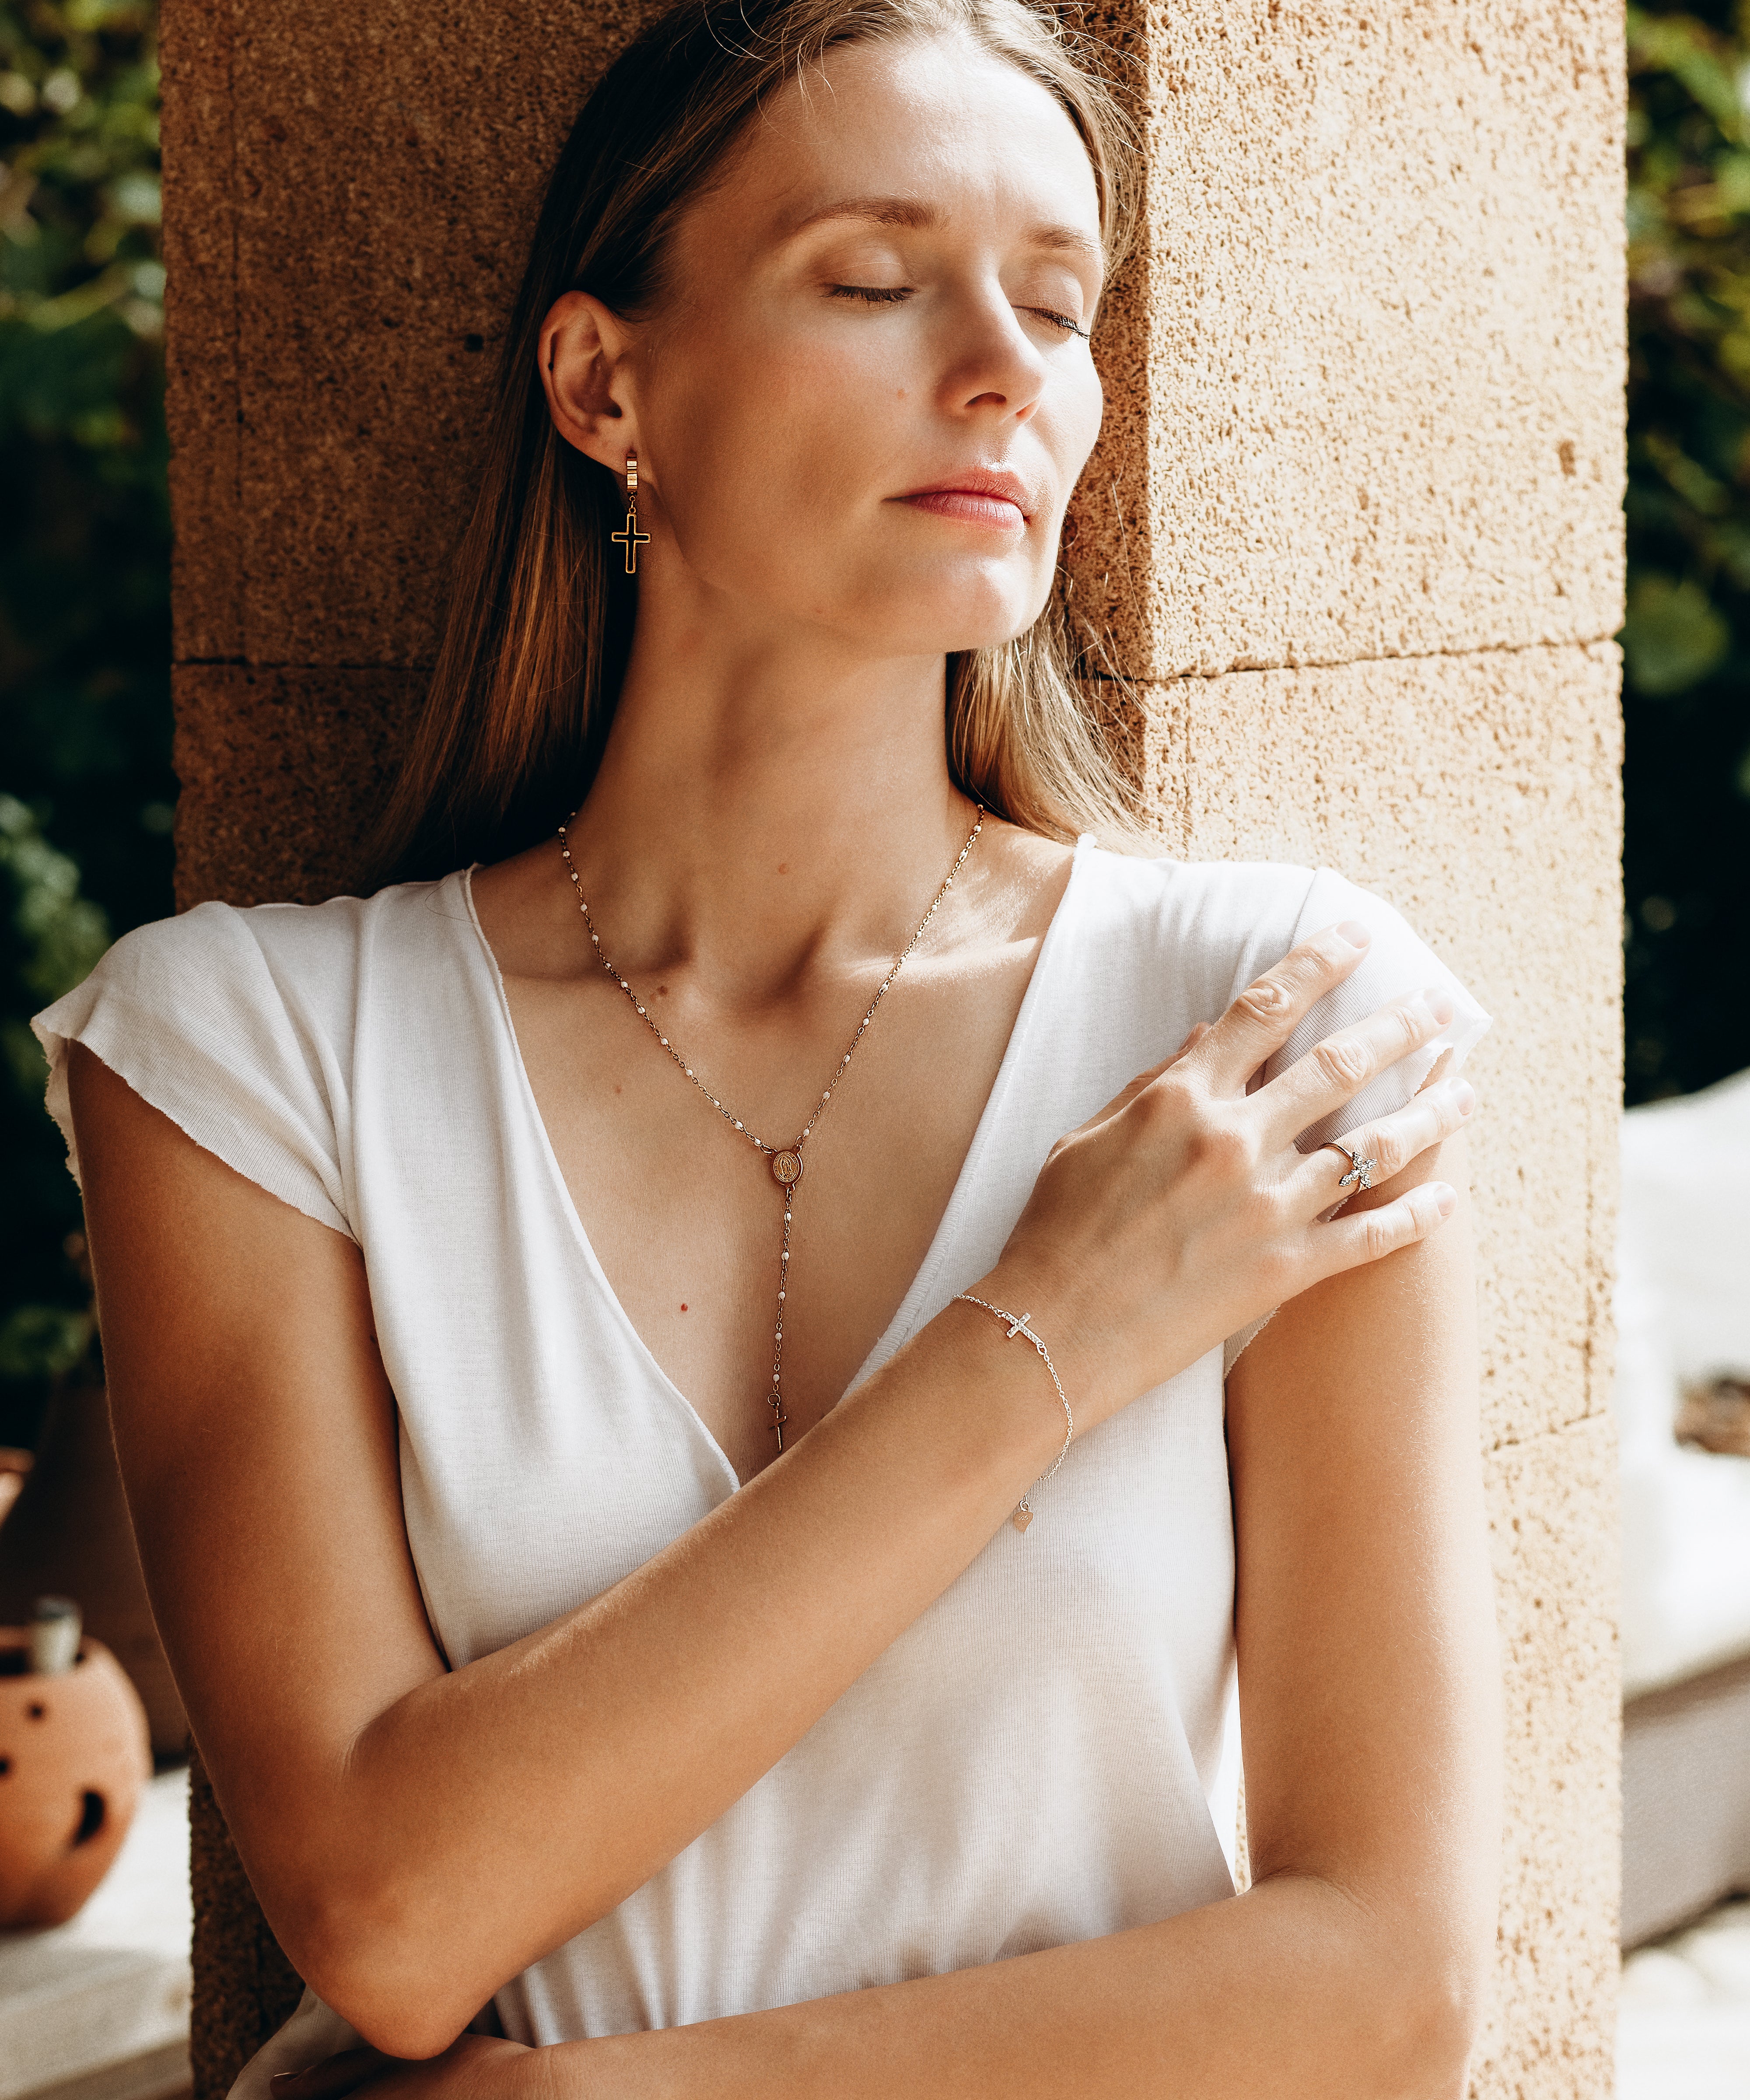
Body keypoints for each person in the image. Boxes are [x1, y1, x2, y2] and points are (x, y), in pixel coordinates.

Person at [35, 1, 1503, 2093]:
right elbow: (388, 1911)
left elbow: (1390, 1993)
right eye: (877, 282)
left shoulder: (1272, 1028)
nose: (1005, 369)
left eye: (1062, 301)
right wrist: (1051, 1327)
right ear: (604, 381)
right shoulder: (255, 1056)